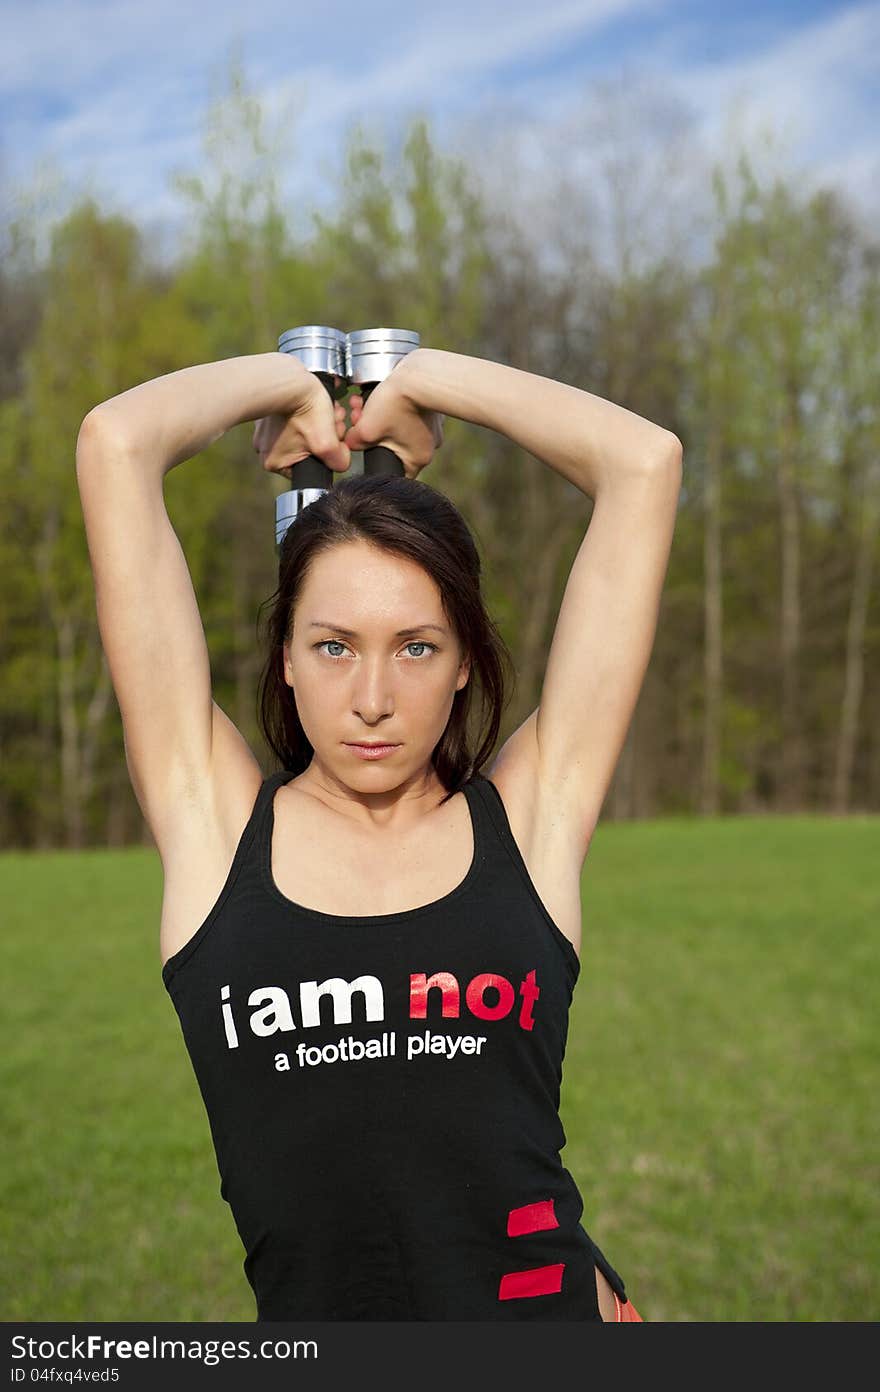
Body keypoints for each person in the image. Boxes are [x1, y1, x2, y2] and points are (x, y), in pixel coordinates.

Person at [75, 345, 681, 1321]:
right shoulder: (216, 829)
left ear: (462, 666)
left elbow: (643, 463)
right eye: (332, 647)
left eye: (415, 647)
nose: (370, 699)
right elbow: (116, 443)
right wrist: (287, 391)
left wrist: (428, 379)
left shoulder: (531, 819)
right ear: (283, 661)